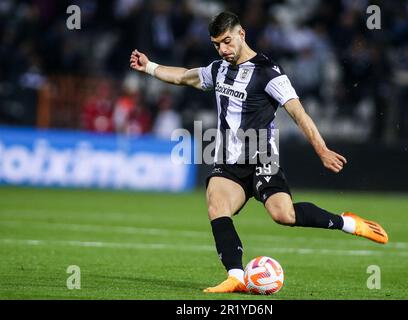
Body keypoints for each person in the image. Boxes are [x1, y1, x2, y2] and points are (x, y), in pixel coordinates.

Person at [129, 11, 388, 294]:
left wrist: (322, 149)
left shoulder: (269, 72)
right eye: (217, 44)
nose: (223, 49)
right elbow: (185, 77)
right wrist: (150, 66)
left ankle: (348, 223)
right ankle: (236, 276)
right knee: (217, 205)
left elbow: (299, 114)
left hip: (263, 160)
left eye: (227, 41)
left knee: (284, 215)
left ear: (241, 34)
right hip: (229, 161)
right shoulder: (219, 69)